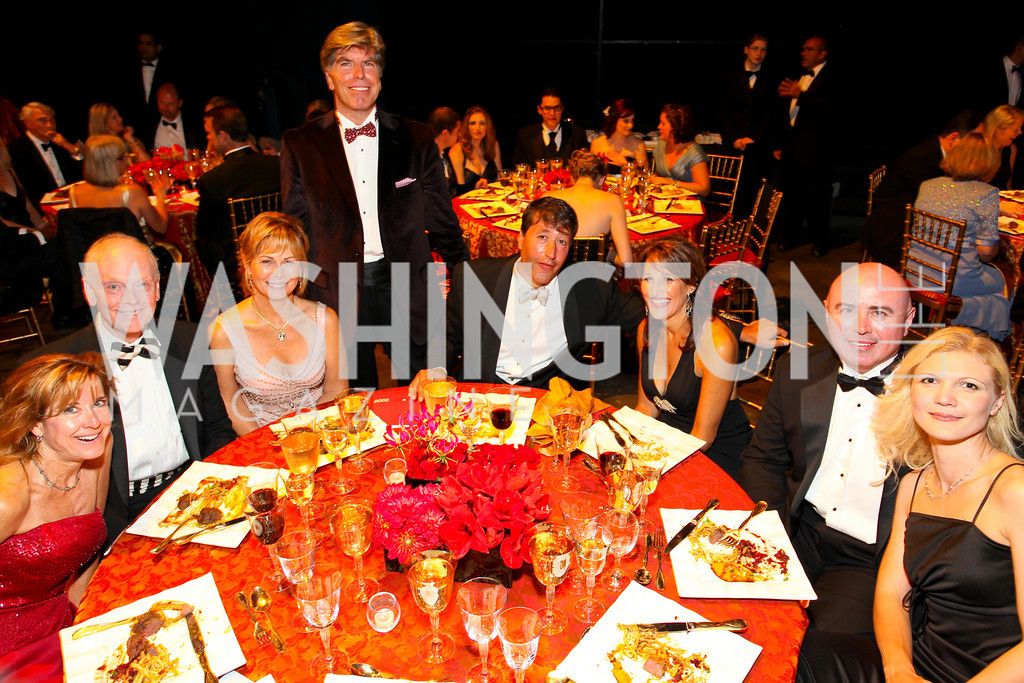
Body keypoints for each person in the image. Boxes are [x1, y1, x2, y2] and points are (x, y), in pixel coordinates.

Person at [739, 262, 916, 682]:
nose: (860, 327)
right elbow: (764, 459)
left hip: (869, 561)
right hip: (796, 532)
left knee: (804, 656)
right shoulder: (798, 368)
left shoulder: (933, 393)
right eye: (846, 310)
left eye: (880, 312)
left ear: (908, 320)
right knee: (731, 618)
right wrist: (771, 535)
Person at [280, 21, 468, 388]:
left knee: (423, 389)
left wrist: (464, 278)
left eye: (368, 63)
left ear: (380, 75)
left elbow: (442, 220)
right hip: (336, 289)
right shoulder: (300, 144)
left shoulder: (416, 138)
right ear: (329, 77)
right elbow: (295, 229)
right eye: (346, 64)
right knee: (354, 396)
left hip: (406, 284)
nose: (359, 75)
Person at [21, 233, 235, 545]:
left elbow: (217, 429)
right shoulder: (53, 369)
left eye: (142, 285)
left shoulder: (189, 340)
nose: (132, 300)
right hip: (114, 514)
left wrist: (217, 490)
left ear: (157, 288)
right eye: (114, 287)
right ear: (89, 291)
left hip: (194, 491)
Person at [874, 326, 1024, 682]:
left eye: (968, 386)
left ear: (997, 402)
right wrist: (899, 670)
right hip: (919, 663)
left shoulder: (1015, 491)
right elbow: (891, 593)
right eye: (929, 380)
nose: (945, 398)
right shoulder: (913, 485)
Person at [410, 196, 645, 394]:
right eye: (542, 237)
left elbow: (646, 313)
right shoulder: (474, 278)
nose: (551, 253)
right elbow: (447, 335)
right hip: (480, 399)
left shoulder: (592, 290)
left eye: (562, 241)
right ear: (521, 237)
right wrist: (436, 369)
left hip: (548, 405)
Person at [0, 353, 112, 681]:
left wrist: (85, 622)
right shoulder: (9, 496)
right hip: (11, 652)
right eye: (70, 410)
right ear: (35, 424)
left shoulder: (96, 450)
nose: (93, 422)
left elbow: (87, 547)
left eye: (99, 403)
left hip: (64, 618)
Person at [210, 212, 345, 435]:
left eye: (289, 262)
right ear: (247, 264)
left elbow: (336, 389)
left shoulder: (326, 320)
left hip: (322, 434)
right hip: (262, 441)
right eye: (267, 261)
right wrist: (268, 446)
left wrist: (312, 439)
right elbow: (230, 402)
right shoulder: (225, 331)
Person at [634, 236, 751, 478]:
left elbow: (702, 437)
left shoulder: (715, 343)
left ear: (691, 286)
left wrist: (650, 466)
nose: (654, 290)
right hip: (666, 443)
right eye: (648, 279)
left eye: (668, 279)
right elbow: (647, 407)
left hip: (714, 457)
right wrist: (624, 442)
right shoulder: (646, 329)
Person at [911, 132, 1010, 340]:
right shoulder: (987, 193)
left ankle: (951, 328)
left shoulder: (928, 185)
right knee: (1004, 281)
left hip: (915, 271)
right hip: (951, 280)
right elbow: (985, 253)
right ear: (989, 163)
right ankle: (971, 337)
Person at [860, 111, 981, 269]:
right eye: (974, 142)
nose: (978, 148)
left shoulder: (938, 152)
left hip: (914, 222)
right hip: (892, 234)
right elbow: (939, 202)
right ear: (954, 138)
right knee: (966, 255)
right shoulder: (921, 159)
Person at [194, 105, 281, 281]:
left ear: (222, 136)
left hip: (238, 265)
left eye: (209, 134)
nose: (208, 139)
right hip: (280, 249)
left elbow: (204, 232)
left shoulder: (213, 179)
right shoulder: (277, 165)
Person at [773, 35, 839, 256]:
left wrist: (801, 95)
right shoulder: (798, 76)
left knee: (816, 199)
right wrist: (781, 143)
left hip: (816, 152)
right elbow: (789, 116)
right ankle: (789, 238)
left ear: (822, 53)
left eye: (810, 49)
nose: (804, 53)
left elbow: (830, 111)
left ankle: (820, 242)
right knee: (791, 197)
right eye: (803, 49)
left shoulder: (832, 77)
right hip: (793, 149)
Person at [69, 135, 170, 236]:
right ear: (113, 162)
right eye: (124, 156)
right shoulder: (131, 192)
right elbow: (161, 227)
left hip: (94, 246)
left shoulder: (74, 192)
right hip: (130, 246)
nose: (127, 160)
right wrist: (160, 196)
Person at [718, 34, 774, 215]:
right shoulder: (730, 76)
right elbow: (723, 112)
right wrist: (734, 139)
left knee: (753, 192)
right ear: (746, 49)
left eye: (763, 49)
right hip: (733, 143)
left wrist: (755, 138)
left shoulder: (771, 78)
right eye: (755, 48)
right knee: (731, 189)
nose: (759, 53)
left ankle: (748, 227)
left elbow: (771, 114)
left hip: (758, 145)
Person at [544, 150, 633, 264]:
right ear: (602, 179)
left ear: (572, 177)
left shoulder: (547, 198)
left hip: (553, 272)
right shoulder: (613, 201)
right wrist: (608, 254)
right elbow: (626, 261)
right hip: (593, 274)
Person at [0, 138, 53, 314]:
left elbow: (28, 205)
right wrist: (36, 232)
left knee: (63, 240)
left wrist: (43, 225)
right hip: (11, 243)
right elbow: (2, 222)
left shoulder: (8, 170)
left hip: (30, 234)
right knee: (58, 252)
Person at [8, 102, 82, 211]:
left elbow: (84, 172)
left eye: (52, 120)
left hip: (74, 199)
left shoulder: (61, 140)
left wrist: (69, 147)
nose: (50, 125)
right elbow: (27, 189)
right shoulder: (16, 150)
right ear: (27, 123)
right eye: (42, 120)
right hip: (44, 207)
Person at [512, 88, 589, 167]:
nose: (552, 113)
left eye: (557, 108)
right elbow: (519, 168)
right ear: (539, 110)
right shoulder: (525, 136)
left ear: (562, 109)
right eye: (547, 108)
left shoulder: (577, 134)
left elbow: (585, 168)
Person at [651, 104, 711, 197]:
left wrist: (673, 183)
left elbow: (704, 189)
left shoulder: (693, 152)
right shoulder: (661, 146)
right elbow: (660, 175)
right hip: (664, 200)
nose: (659, 127)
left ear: (675, 127)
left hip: (689, 203)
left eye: (663, 123)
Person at [449, 105, 503, 194]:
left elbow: (501, 179)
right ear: (466, 126)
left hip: (494, 200)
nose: (478, 128)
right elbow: (459, 191)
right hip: (465, 201)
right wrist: (474, 187)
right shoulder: (457, 150)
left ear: (487, 126)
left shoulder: (493, 145)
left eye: (482, 123)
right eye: (473, 123)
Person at [589, 99, 648, 174]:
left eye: (632, 120)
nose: (631, 125)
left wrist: (624, 163)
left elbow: (644, 175)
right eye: (626, 121)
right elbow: (590, 175)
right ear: (614, 120)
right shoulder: (597, 144)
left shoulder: (638, 145)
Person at [982, 104, 1024, 190]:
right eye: (1016, 129)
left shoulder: (1011, 149)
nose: (1020, 132)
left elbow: (1007, 186)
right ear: (1000, 128)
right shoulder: (978, 148)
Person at [427, 106, 461, 197]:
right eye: (457, 132)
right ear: (445, 133)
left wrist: (474, 186)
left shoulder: (443, 154)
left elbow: (451, 188)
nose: (459, 135)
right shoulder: (427, 158)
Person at [152, 83, 196, 151]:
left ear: (180, 103)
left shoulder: (193, 124)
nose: (165, 108)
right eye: (161, 102)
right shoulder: (149, 124)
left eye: (170, 104)